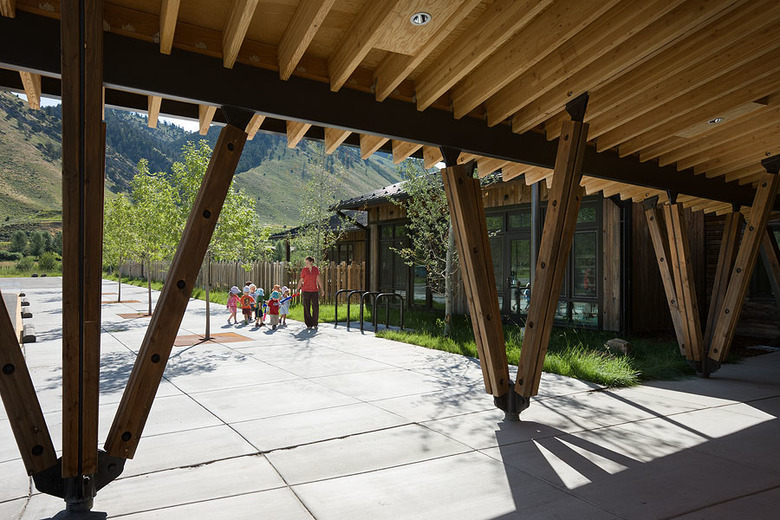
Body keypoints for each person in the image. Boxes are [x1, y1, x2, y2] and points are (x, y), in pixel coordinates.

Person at [298, 255, 323, 330]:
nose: (306, 264)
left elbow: (318, 280)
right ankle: (309, 324)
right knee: (306, 307)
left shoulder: (316, 269)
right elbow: (301, 280)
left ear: (311, 262)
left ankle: (315, 323)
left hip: (314, 290)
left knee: (315, 307)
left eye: (307, 262)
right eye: (306, 263)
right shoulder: (304, 270)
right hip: (306, 291)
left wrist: (322, 290)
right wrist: (297, 289)